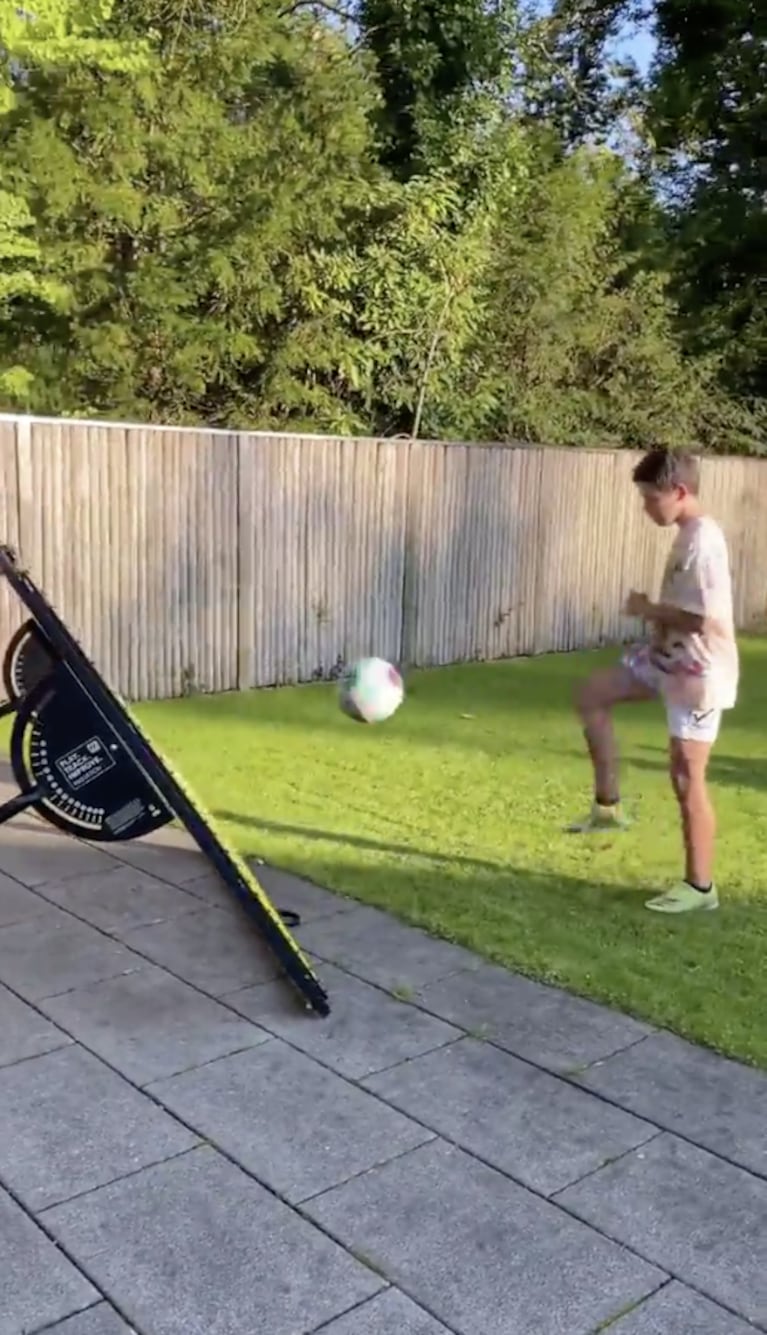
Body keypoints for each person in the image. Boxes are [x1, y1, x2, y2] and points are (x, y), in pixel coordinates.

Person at [567, 447, 739, 914]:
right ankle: (608, 810)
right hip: (667, 659)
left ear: (679, 492)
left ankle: (701, 888)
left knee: (687, 775)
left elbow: (704, 619)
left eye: (650, 498)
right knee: (592, 696)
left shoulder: (704, 542)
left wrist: (647, 610)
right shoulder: (688, 534)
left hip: (699, 671)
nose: (645, 507)